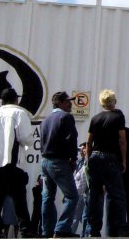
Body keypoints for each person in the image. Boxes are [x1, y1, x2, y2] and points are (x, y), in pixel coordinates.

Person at [0, 88, 35, 238]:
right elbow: (26, 138)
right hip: (11, 161)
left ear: (2, 101)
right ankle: (25, 230)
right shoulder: (19, 113)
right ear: (16, 100)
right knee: (19, 197)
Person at [85, 89, 129, 237]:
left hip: (95, 158)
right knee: (117, 194)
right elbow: (122, 139)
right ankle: (120, 228)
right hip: (109, 157)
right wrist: (123, 160)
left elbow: (89, 142)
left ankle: (94, 230)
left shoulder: (95, 118)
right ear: (113, 102)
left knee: (95, 194)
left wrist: (88, 160)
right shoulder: (118, 117)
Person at [40, 91, 79, 238]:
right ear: (60, 102)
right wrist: (73, 159)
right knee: (72, 196)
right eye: (68, 101)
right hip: (59, 162)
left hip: (45, 161)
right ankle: (62, 229)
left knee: (48, 197)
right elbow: (71, 139)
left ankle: (47, 231)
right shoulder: (66, 117)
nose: (71, 104)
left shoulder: (46, 119)